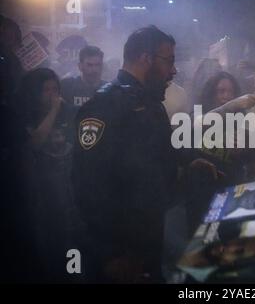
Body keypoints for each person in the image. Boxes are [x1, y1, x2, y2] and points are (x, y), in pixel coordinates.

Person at [72, 25, 219, 283]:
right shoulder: (104, 107)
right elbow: (88, 187)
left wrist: (188, 160)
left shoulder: (150, 103)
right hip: (122, 249)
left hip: (149, 233)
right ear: (145, 58)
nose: (173, 70)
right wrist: (111, 254)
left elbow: (158, 151)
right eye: (169, 61)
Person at [14, 68, 77, 282]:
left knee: (69, 239)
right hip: (39, 191)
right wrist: (53, 111)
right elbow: (35, 142)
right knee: (46, 241)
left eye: (55, 89)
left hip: (67, 187)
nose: (52, 95)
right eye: (46, 90)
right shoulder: (25, 115)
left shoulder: (68, 111)